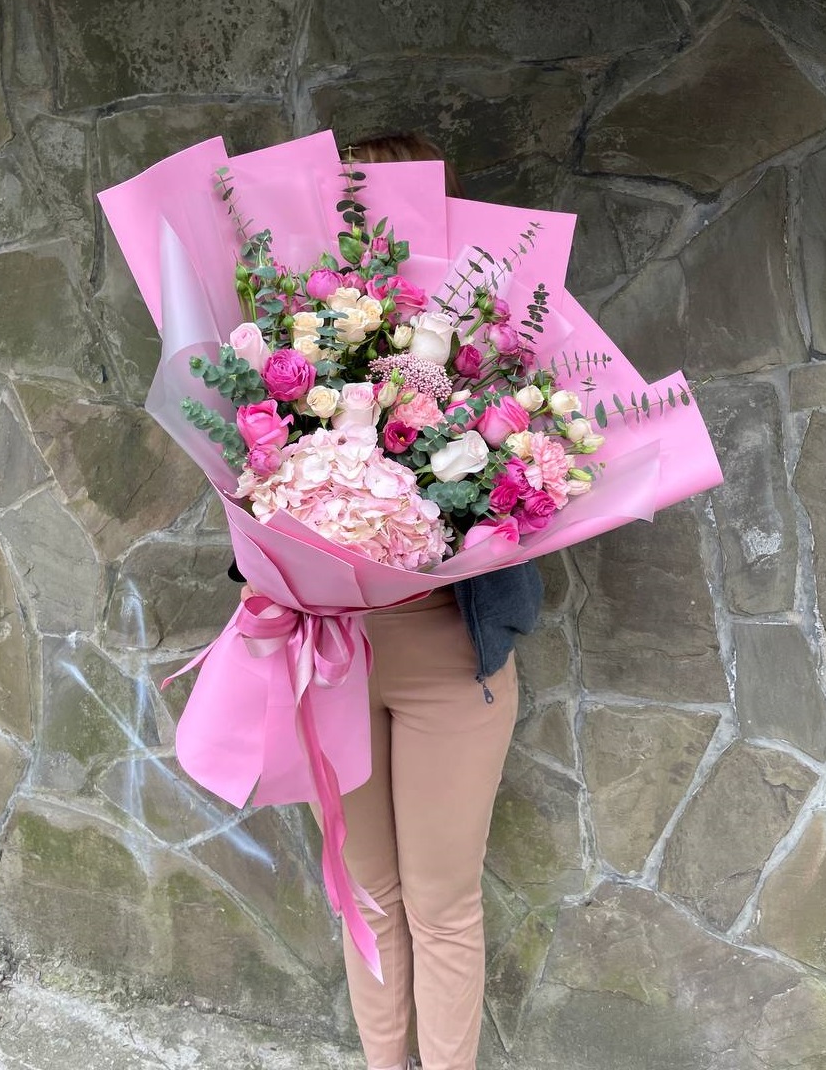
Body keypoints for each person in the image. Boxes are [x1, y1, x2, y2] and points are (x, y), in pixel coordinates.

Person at [335, 133, 544, 1070]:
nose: (377, 226)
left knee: (440, 905)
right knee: (365, 894)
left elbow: (533, 501)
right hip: (335, 656)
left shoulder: (498, 356)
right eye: (359, 205)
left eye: (399, 201)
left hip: (454, 662)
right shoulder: (316, 339)